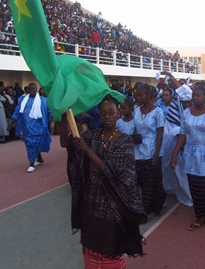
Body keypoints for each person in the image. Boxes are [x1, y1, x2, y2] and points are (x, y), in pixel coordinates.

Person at [62, 94, 145, 268]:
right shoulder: (92, 136)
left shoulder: (125, 141)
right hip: (92, 202)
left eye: (111, 112)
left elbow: (116, 173)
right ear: (98, 115)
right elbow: (66, 143)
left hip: (113, 206)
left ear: (118, 114)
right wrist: (64, 115)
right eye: (103, 113)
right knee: (91, 248)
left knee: (111, 250)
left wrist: (88, 151)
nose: (107, 116)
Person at [171, 84, 205, 231]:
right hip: (191, 154)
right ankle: (200, 216)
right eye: (193, 95)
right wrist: (175, 153)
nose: (194, 98)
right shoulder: (186, 112)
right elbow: (183, 134)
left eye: (197, 95)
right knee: (195, 187)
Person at [133, 83, 166, 222]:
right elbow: (135, 128)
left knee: (149, 184)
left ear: (148, 95)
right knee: (144, 181)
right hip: (138, 151)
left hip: (152, 150)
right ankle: (158, 202)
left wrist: (156, 154)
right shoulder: (136, 109)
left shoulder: (158, 112)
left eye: (140, 95)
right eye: (136, 95)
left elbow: (160, 133)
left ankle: (145, 211)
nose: (137, 97)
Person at [161, 73, 194, 207]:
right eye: (185, 102)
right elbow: (180, 89)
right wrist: (170, 76)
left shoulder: (188, 109)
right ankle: (171, 188)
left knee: (181, 169)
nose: (187, 104)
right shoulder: (177, 102)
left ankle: (187, 194)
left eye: (189, 102)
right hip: (170, 136)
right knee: (167, 166)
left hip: (179, 141)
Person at [10, 83, 51, 173]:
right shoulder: (22, 100)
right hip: (27, 128)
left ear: (36, 89)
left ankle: (39, 158)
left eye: (33, 89)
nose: (31, 90)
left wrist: (47, 123)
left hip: (40, 127)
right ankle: (32, 163)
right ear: (27, 90)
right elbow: (17, 110)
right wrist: (12, 121)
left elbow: (48, 113)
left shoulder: (43, 100)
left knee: (38, 142)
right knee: (30, 144)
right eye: (30, 89)